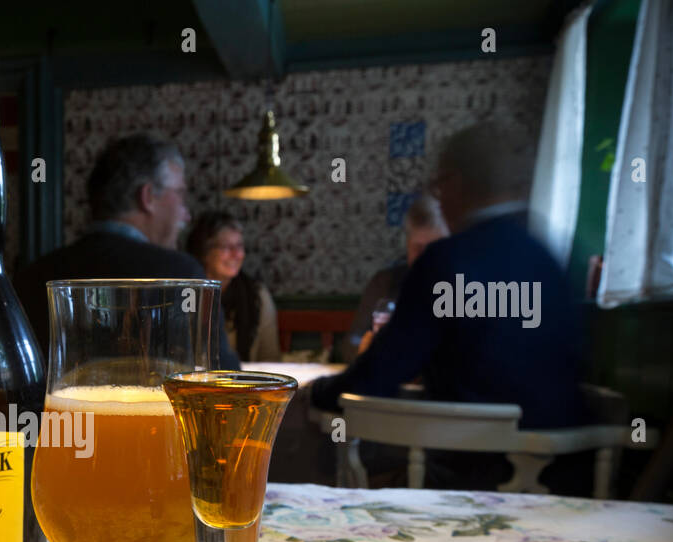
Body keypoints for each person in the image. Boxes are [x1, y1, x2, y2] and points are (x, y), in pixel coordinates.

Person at [310, 120, 589, 491]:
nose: (439, 198)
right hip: (566, 478)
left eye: (438, 186)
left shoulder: (446, 261)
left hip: (475, 480)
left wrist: (317, 391)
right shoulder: (553, 260)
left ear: (454, 184)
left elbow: (380, 375)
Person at [13, 133, 240, 367]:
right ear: (148, 196)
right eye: (180, 194)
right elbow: (226, 381)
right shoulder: (182, 276)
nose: (187, 214)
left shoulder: (30, 278)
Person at [340, 195, 449, 362]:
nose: (426, 258)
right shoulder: (384, 282)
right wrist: (364, 348)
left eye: (435, 249)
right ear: (407, 244)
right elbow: (350, 344)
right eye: (418, 249)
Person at [185, 210, 281, 362]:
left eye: (239, 246)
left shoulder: (256, 296)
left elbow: (270, 358)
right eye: (226, 247)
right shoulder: (186, 293)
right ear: (204, 252)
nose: (237, 254)